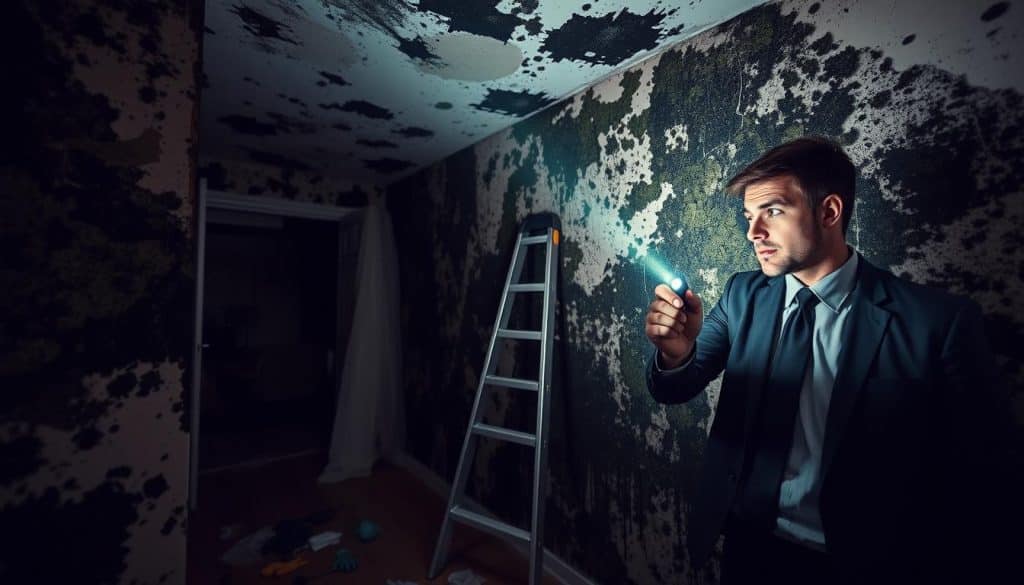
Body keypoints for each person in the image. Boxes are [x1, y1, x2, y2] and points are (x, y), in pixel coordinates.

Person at [643, 136, 1016, 584]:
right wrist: (675, 353)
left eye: (773, 212)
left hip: (858, 564)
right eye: (748, 217)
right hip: (746, 544)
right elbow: (675, 386)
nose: (753, 233)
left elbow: (986, 480)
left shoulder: (936, 323)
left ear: (829, 212)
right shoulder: (741, 295)